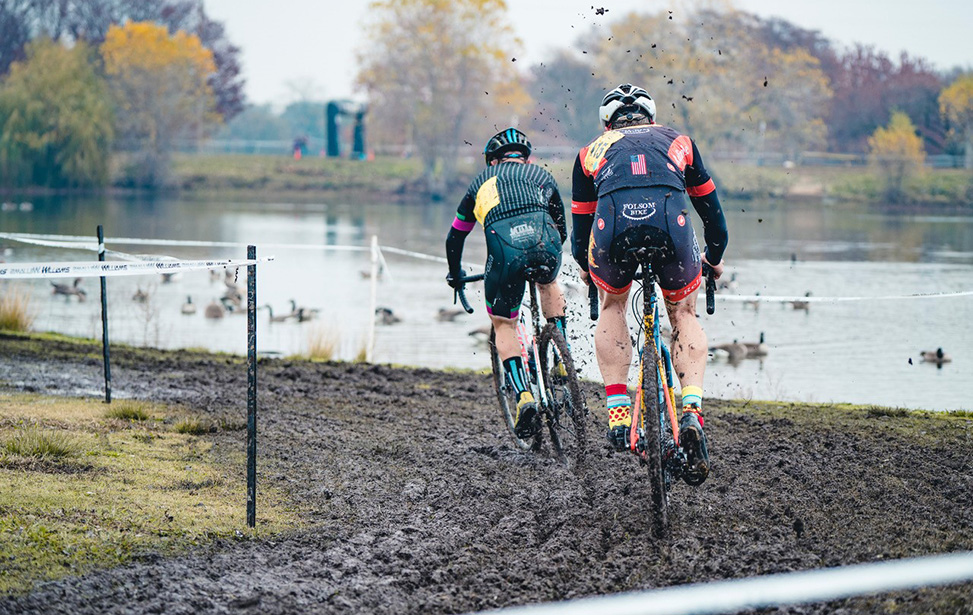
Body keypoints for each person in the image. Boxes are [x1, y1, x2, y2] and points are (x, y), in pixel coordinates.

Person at [571, 83, 728, 485]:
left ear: (608, 123)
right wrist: (713, 258)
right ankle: (691, 410)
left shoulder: (590, 151)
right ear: (651, 118)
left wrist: (589, 271)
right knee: (683, 313)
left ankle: (619, 410)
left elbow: (580, 231)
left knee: (613, 306)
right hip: (671, 227)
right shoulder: (679, 141)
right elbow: (713, 216)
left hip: (614, 231)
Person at [446, 128, 568, 439]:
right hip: (546, 245)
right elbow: (561, 226)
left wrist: (455, 273)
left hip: (506, 254)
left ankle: (523, 395)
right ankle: (562, 354)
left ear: (492, 161)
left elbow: (456, 235)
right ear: (525, 157)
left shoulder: (480, 183)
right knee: (549, 281)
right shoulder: (541, 176)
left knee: (503, 323)